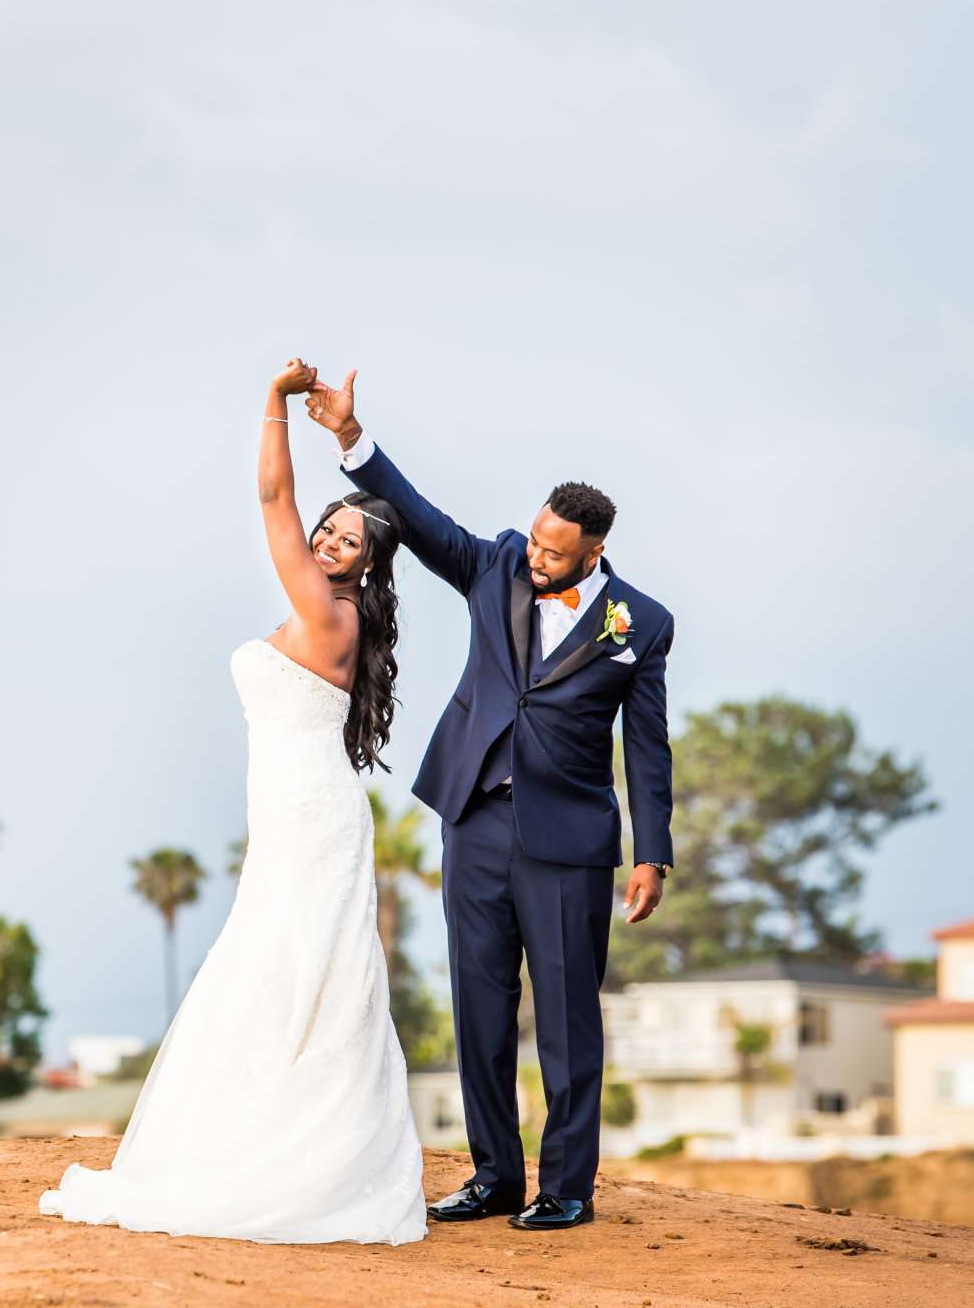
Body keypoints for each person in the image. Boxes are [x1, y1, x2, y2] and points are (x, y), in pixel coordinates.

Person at [38, 359, 426, 1245]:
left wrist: (272, 402)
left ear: (367, 568)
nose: (328, 543)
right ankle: (268, 1134)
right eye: (330, 531)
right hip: (297, 814)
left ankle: (300, 1154)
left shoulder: (330, 612)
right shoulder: (322, 610)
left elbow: (270, 504)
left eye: (347, 543)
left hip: (310, 817)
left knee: (296, 974)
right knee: (279, 971)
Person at [303, 370, 672, 1233]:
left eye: (556, 554)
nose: (539, 560)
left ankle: (567, 1188)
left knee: (569, 1019)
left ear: (594, 550)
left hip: (571, 839)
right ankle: (496, 1176)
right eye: (538, 544)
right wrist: (355, 441)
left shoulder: (641, 624)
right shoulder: (497, 564)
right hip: (474, 818)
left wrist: (651, 850)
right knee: (479, 1006)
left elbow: (647, 746)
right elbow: (424, 522)